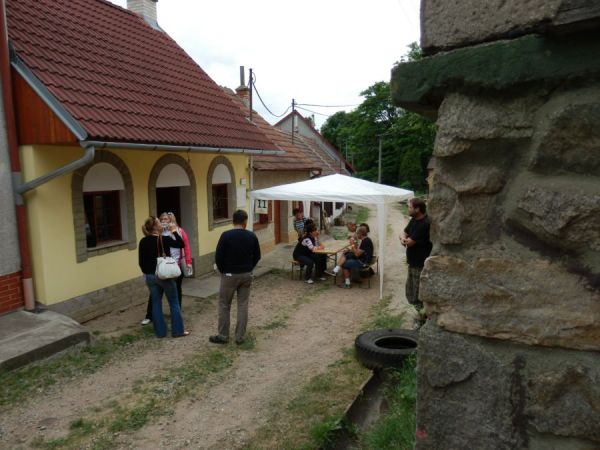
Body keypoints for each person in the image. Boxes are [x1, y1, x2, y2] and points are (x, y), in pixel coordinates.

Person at [209, 210, 261, 345]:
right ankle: (239, 337)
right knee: (243, 305)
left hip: (229, 275)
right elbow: (257, 255)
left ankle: (223, 336)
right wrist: (249, 267)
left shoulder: (226, 235)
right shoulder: (251, 236)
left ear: (233, 221)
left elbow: (218, 256)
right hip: (246, 274)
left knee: (224, 304)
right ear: (245, 221)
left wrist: (223, 270)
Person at [138, 216, 189, 338]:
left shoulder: (143, 241)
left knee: (156, 303)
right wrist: (174, 231)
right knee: (173, 302)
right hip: (164, 275)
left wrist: (148, 273)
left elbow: (141, 262)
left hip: (150, 276)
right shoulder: (164, 239)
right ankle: (178, 331)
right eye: (159, 222)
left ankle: (160, 332)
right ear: (155, 227)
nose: (162, 224)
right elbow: (181, 244)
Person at [400, 198, 433, 329]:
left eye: (409, 207)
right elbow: (404, 233)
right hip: (413, 263)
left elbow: (410, 243)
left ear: (417, 209)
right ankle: (421, 316)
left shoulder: (425, 223)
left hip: (420, 264)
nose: (408, 209)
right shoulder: (414, 220)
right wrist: (403, 238)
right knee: (410, 292)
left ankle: (421, 319)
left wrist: (404, 240)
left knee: (418, 295)